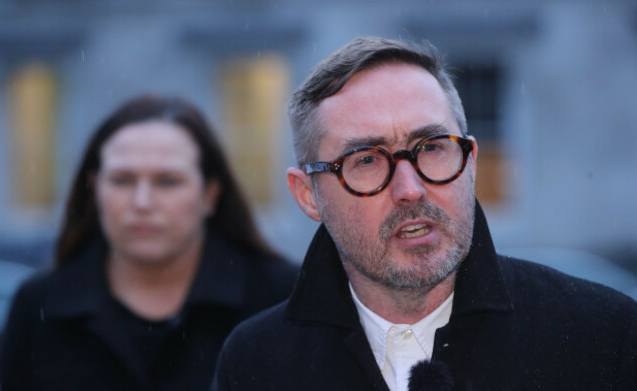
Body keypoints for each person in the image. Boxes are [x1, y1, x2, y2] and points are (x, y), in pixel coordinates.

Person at [210, 37, 637, 390]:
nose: (410, 190)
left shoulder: (602, 337)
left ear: (469, 162)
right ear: (307, 195)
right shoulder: (256, 363)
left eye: (431, 148)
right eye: (367, 160)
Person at [0, 95, 298, 391]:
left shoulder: (285, 297)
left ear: (209, 194)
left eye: (167, 181)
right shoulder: (40, 303)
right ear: (95, 188)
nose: (142, 202)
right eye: (122, 180)